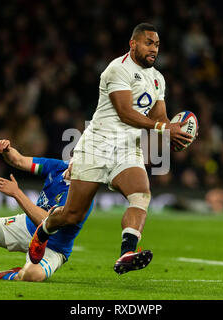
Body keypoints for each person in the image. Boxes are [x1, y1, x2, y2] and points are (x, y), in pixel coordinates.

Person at [28, 23, 194, 274]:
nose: (154, 49)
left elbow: (160, 117)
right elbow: (125, 113)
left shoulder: (157, 79)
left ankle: (126, 251)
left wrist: (174, 134)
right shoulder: (117, 69)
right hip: (97, 145)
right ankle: (44, 230)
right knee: (72, 214)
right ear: (133, 44)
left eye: (157, 45)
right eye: (149, 43)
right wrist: (163, 128)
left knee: (141, 194)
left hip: (127, 149)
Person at [0, 139, 93, 282]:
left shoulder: (82, 196)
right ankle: (22, 269)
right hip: (27, 226)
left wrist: (17, 193)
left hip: (53, 247)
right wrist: (7, 150)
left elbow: (47, 223)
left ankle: (10, 274)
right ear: (72, 156)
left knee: (32, 275)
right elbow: (18, 161)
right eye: (79, 156)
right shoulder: (58, 167)